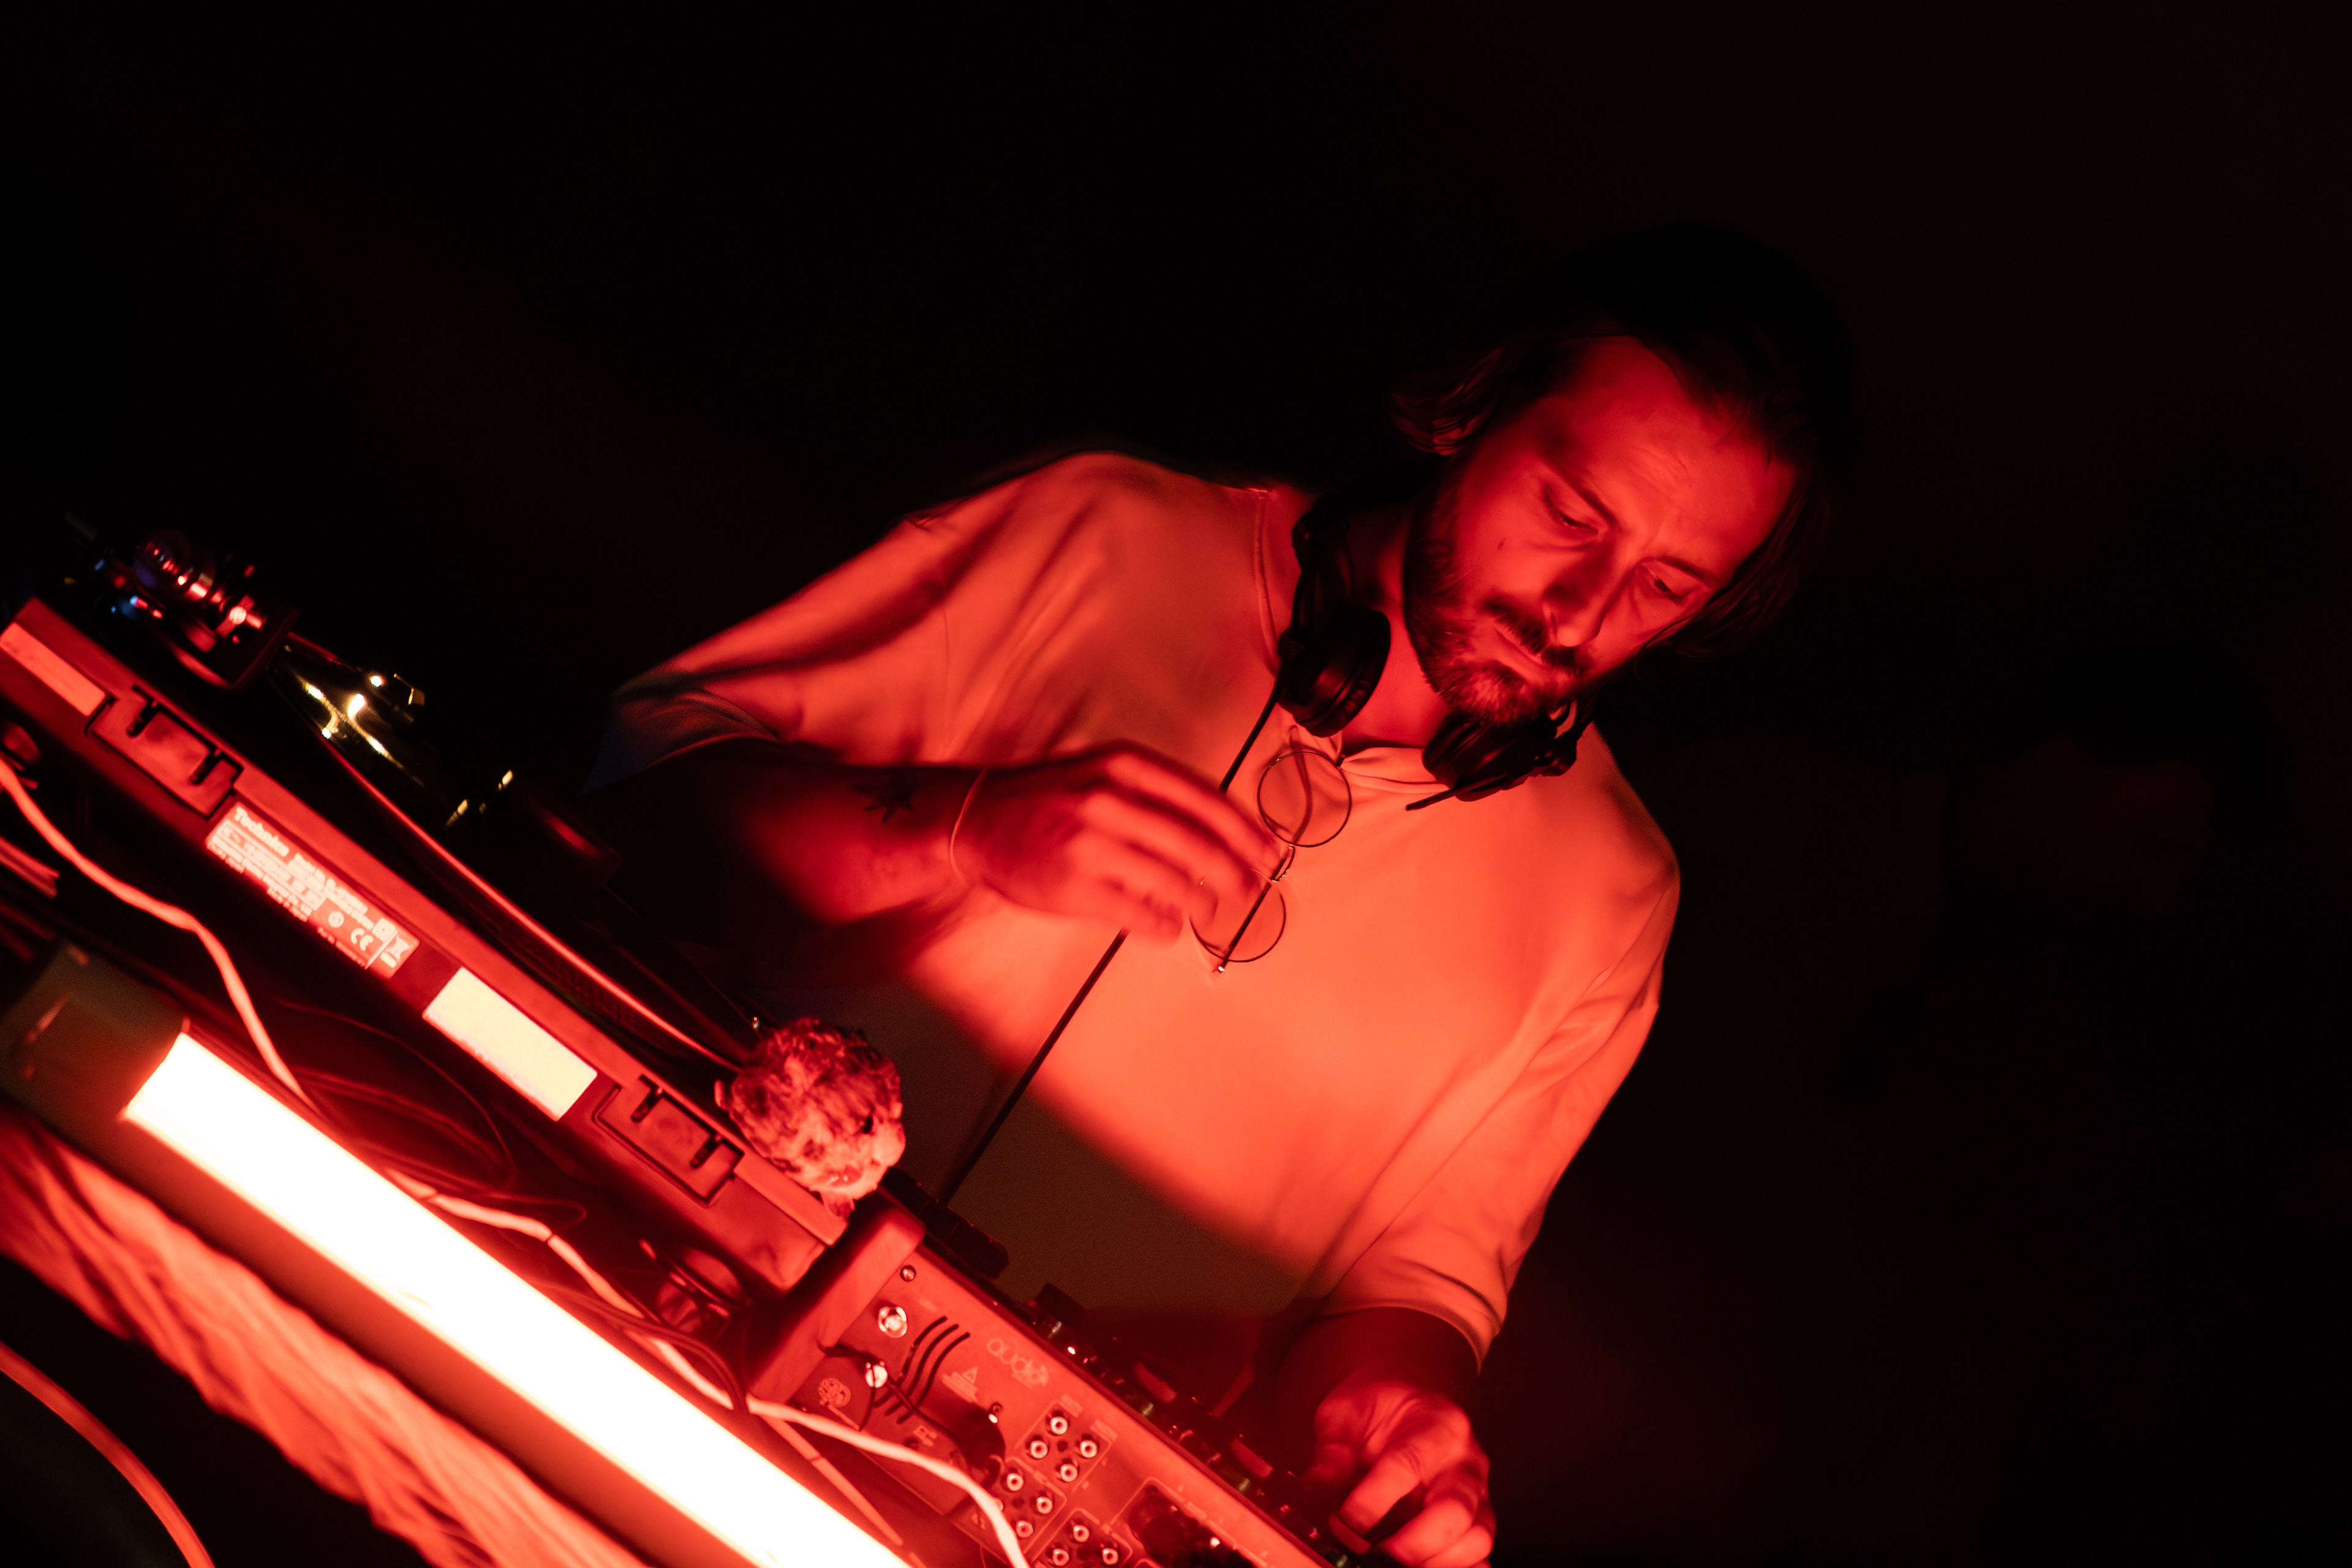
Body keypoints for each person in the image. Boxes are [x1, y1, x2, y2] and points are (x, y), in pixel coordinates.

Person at [587, 225, 1849, 1568]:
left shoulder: (1615, 896)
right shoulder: (1108, 533)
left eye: (1665, 585)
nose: (1579, 614)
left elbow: (1412, 1290)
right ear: (1471, 411)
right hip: (636, 1312)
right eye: (1572, 515)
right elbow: (641, 807)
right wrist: (959, 826)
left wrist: (1397, 1414)